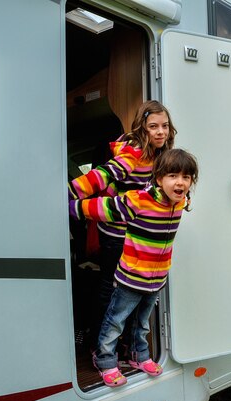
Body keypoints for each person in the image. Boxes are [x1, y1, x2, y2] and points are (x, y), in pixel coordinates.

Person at [69, 148, 199, 387]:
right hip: (130, 277)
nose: (180, 182)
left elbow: (185, 199)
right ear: (159, 178)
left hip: (156, 278)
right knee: (116, 320)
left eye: (186, 177)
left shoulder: (181, 202)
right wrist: (72, 207)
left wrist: (185, 198)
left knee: (142, 322)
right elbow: (104, 208)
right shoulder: (139, 200)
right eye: (172, 176)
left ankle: (139, 356)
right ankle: (105, 359)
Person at [68, 100, 177, 347]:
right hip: (117, 231)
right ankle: (100, 343)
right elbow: (103, 175)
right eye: (153, 127)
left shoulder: (162, 155)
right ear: (142, 128)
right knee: (112, 287)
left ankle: (125, 345)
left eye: (165, 126)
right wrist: (71, 193)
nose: (160, 132)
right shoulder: (134, 153)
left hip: (138, 231)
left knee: (134, 290)